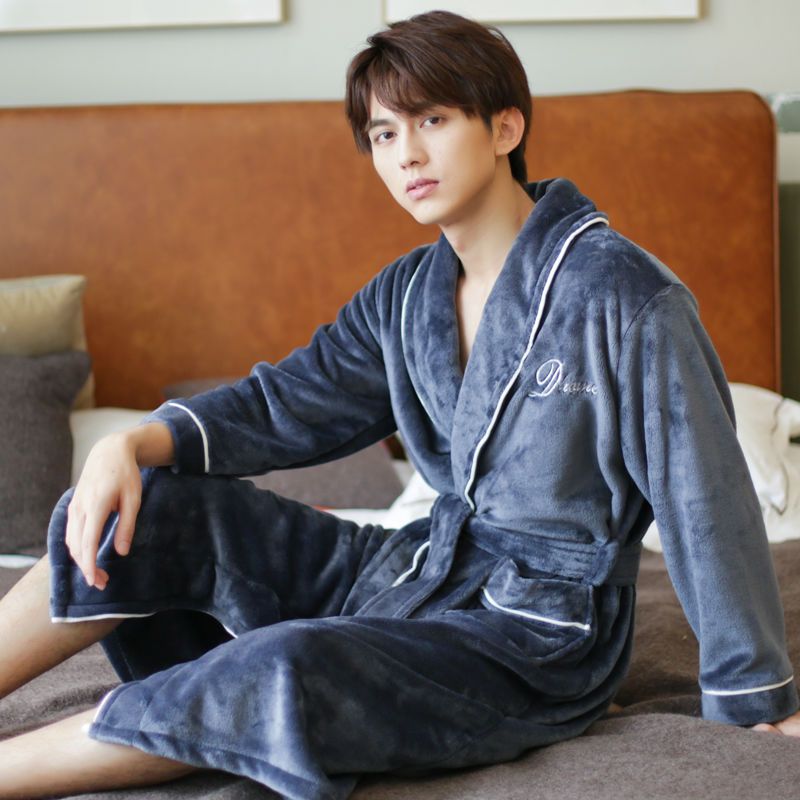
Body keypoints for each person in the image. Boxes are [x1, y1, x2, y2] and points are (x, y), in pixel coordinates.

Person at [1, 9, 799, 799]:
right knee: (146, 510)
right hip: (415, 570)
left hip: (539, 633)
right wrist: (130, 444)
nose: (406, 154)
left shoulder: (626, 296)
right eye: (384, 133)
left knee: (288, 662)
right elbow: (284, 402)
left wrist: (753, 697)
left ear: (505, 127)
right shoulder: (407, 297)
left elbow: (706, 501)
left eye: (432, 120)